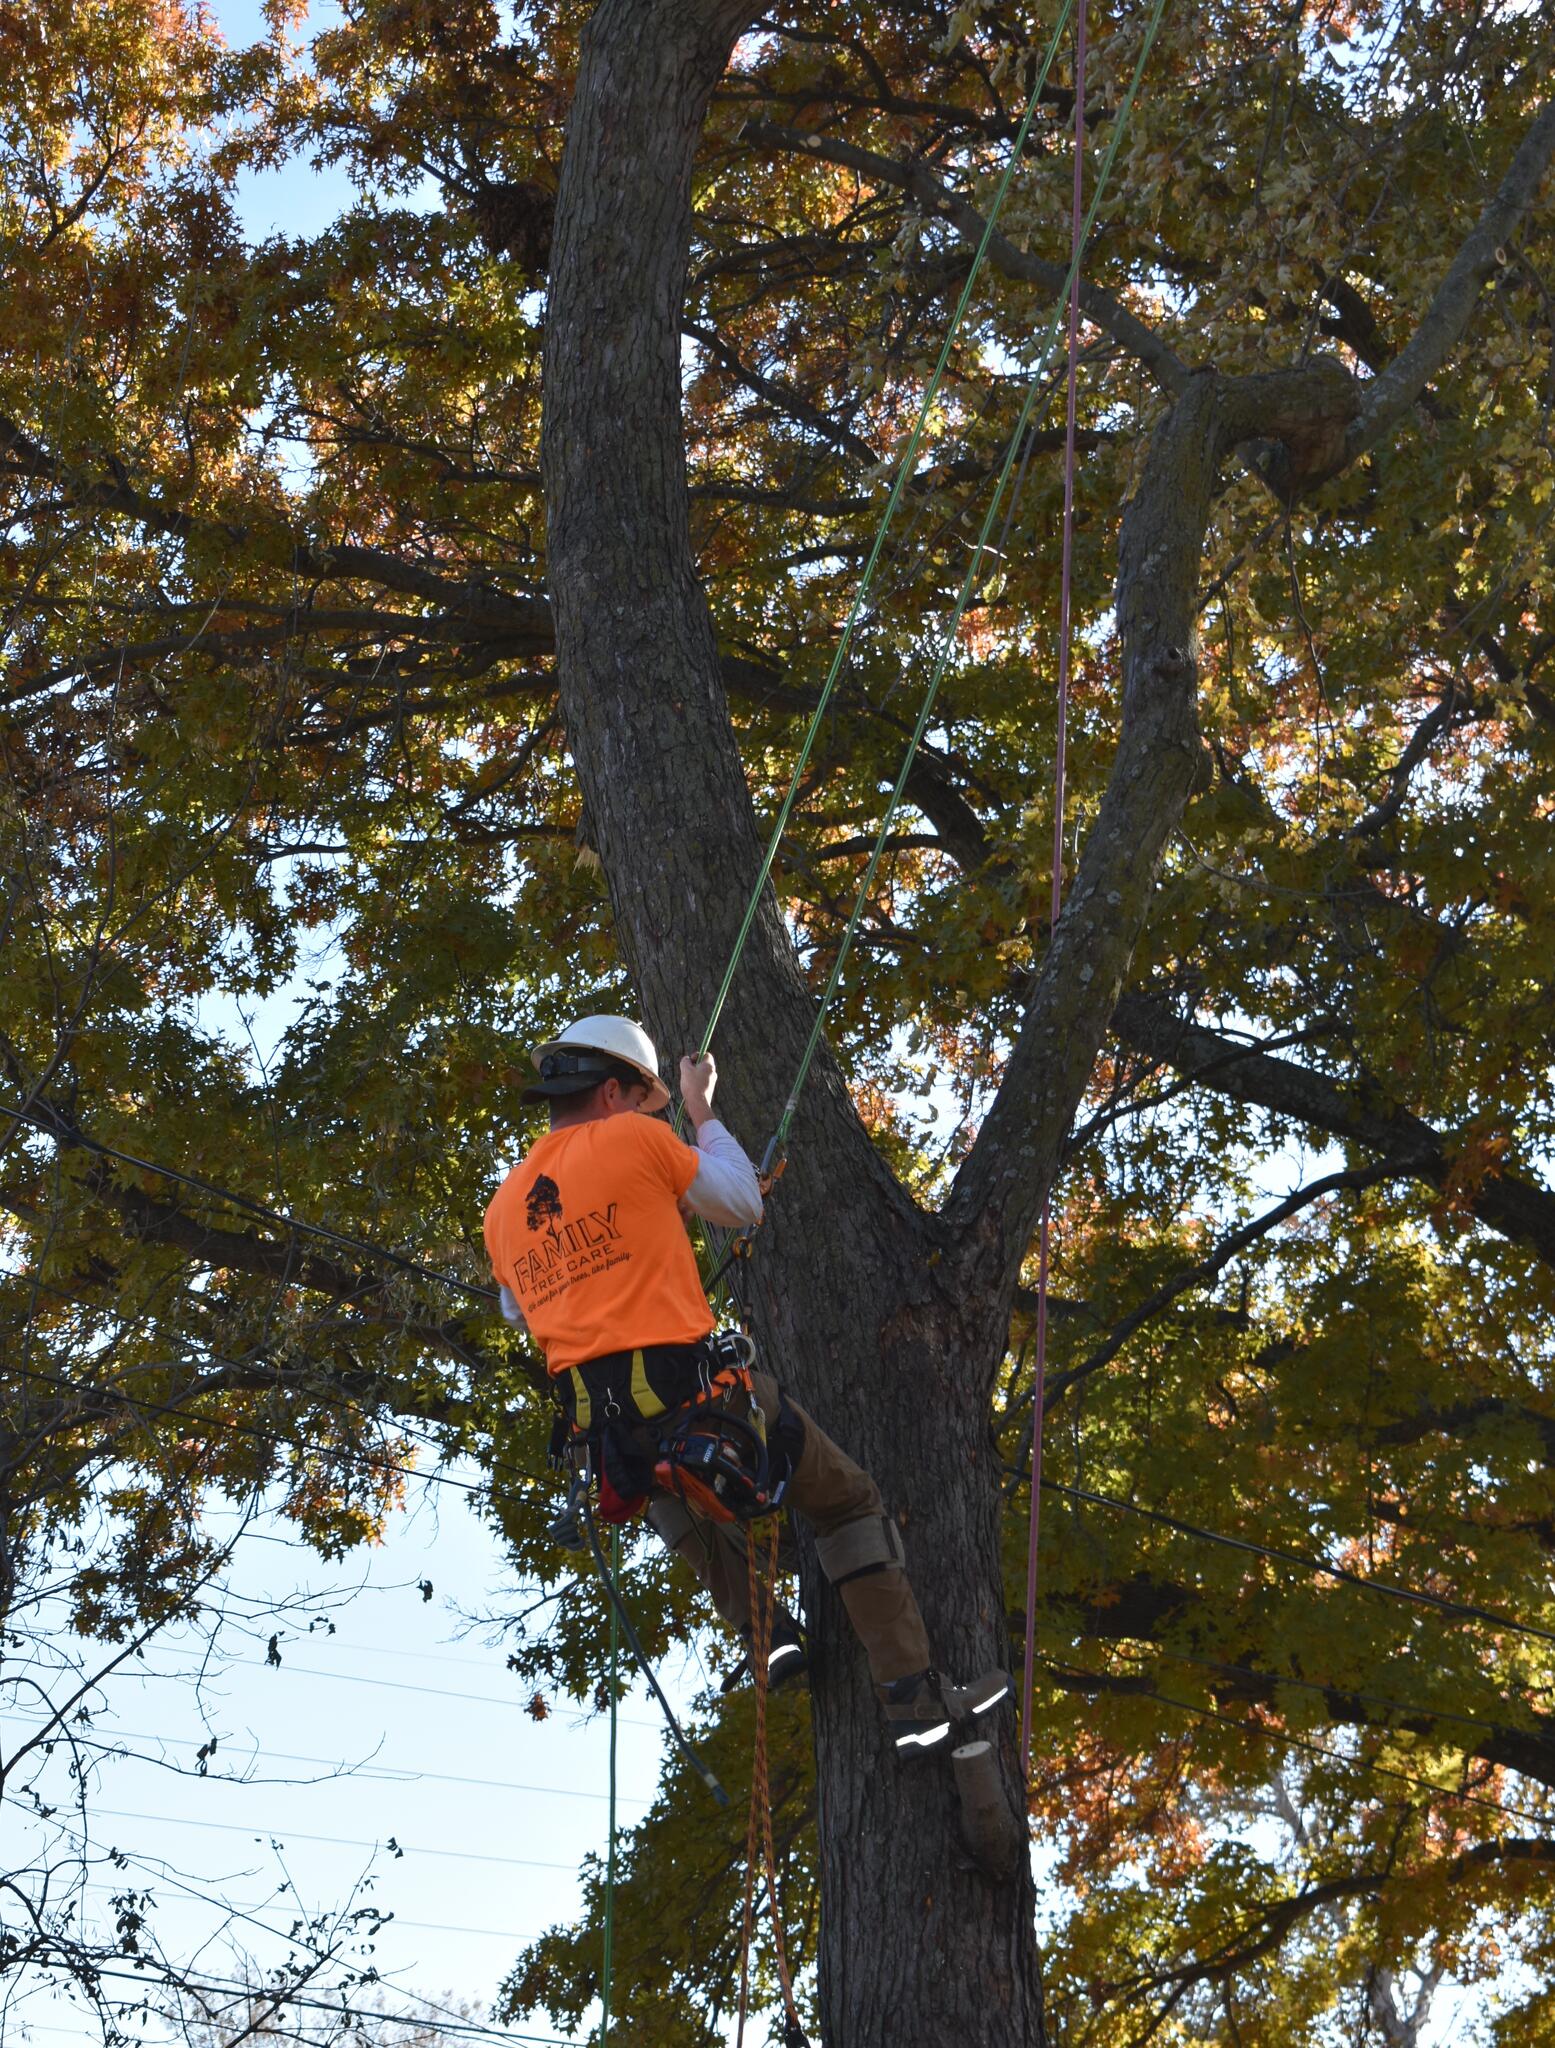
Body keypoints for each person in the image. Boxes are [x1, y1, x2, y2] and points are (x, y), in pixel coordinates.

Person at [484, 1014, 1007, 1752]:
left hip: (608, 1432)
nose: (649, 1113)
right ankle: (912, 1702)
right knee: (848, 1502)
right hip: (704, 1398)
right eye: (644, 1100)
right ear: (611, 1091)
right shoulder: (636, 1137)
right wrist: (699, 1108)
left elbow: (519, 1307)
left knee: (664, 1490)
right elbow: (739, 1201)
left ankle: (765, 1636)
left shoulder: (502, 1210)